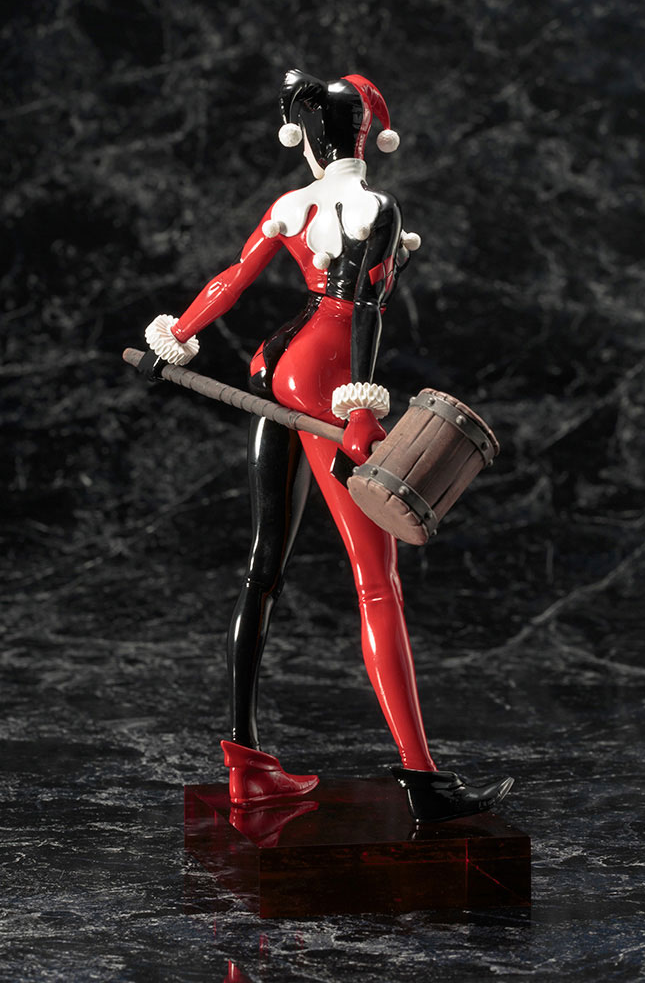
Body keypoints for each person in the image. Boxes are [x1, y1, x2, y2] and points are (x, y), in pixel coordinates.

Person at [141, 70, 513, 821]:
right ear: (366, 139)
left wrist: (175, 336)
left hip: (276, 365)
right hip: (327, 377)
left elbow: (232, 278)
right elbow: (364, 308)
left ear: (307, 141)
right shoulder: (377, 206)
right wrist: (362, 408)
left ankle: (246, 764)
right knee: (377, 582)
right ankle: (423, 781)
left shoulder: (291, 205)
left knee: (264, 566)